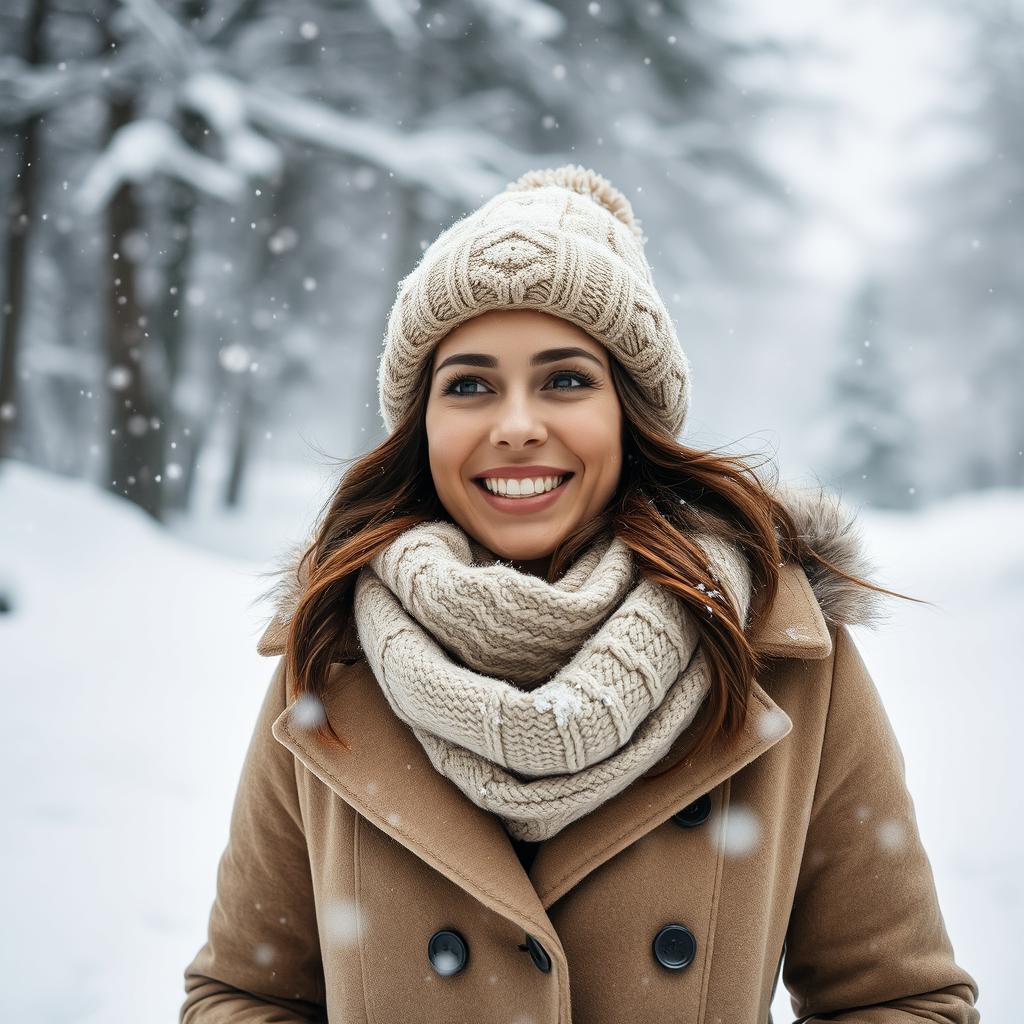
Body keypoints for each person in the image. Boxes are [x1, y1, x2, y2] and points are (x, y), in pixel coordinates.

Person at [180, 165, 980, 1023]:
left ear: (629, 415)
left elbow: (903, 999)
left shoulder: (774, 657)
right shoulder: (333, 659)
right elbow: (242, 994)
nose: (517, 423)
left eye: (565, 379)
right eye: (470, 384)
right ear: (423, 426)